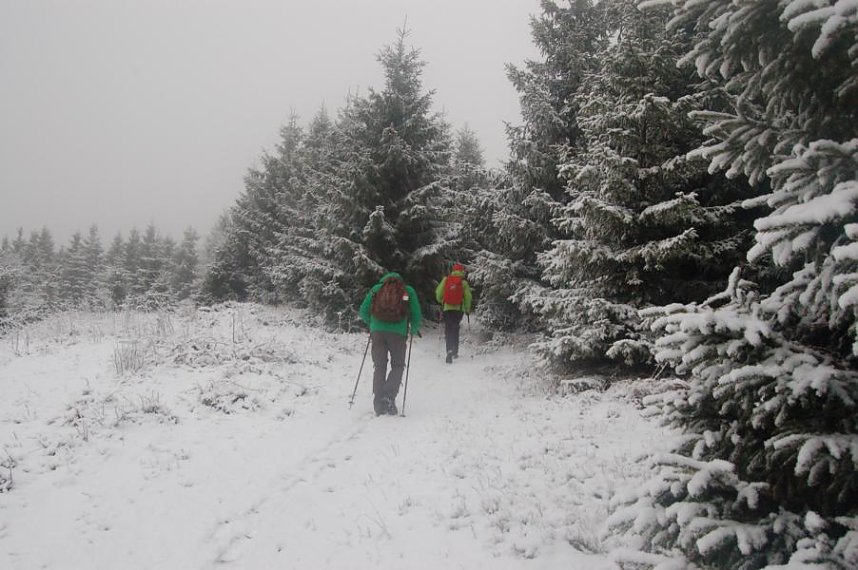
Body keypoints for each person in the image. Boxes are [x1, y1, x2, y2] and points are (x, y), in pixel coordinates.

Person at [359, 272, 422, 415]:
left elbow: (363, 311)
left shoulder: (376, 289)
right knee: (398, 365)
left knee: (379, 366)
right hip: (398, 333)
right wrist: (414, 329)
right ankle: (388, 396)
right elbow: (416, 312)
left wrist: (372, 324)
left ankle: (378, 399)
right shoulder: (408, 291)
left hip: (378, 333)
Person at [435, 263, 472, 364]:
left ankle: (449, 350)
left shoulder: (446, 280)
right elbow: (468, 297)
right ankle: (455, 351)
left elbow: (438, 294)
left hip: (447, 308)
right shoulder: (463, 283)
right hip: (458, 309)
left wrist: (441, 301)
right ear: (462, 271)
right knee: (455, 328)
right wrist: (467, 309)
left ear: (453, 270)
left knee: (448, 329)